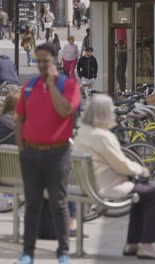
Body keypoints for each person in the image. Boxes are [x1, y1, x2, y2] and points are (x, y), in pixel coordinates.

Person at [74, 94, 155, 261]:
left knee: (141, 194)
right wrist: (140, 169)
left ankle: (132, 244)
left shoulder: (83, 132)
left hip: (88, 183)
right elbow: (120, 163)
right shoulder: (103, 136)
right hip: (105, 186)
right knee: (153, 194)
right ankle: (146, 246)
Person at [14, 43, 80, 264]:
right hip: (31, 154)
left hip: (57, 154)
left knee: (58, 203)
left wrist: (52, 85)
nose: (42, 65)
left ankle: (63, 252)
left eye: (46, 61)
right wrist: (22, 147)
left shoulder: (68, 85)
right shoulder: (29, 86)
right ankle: (27, 253)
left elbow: (65, 111)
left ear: (55, 61)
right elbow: (20, 118)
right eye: (39, 61)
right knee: (32, 205)